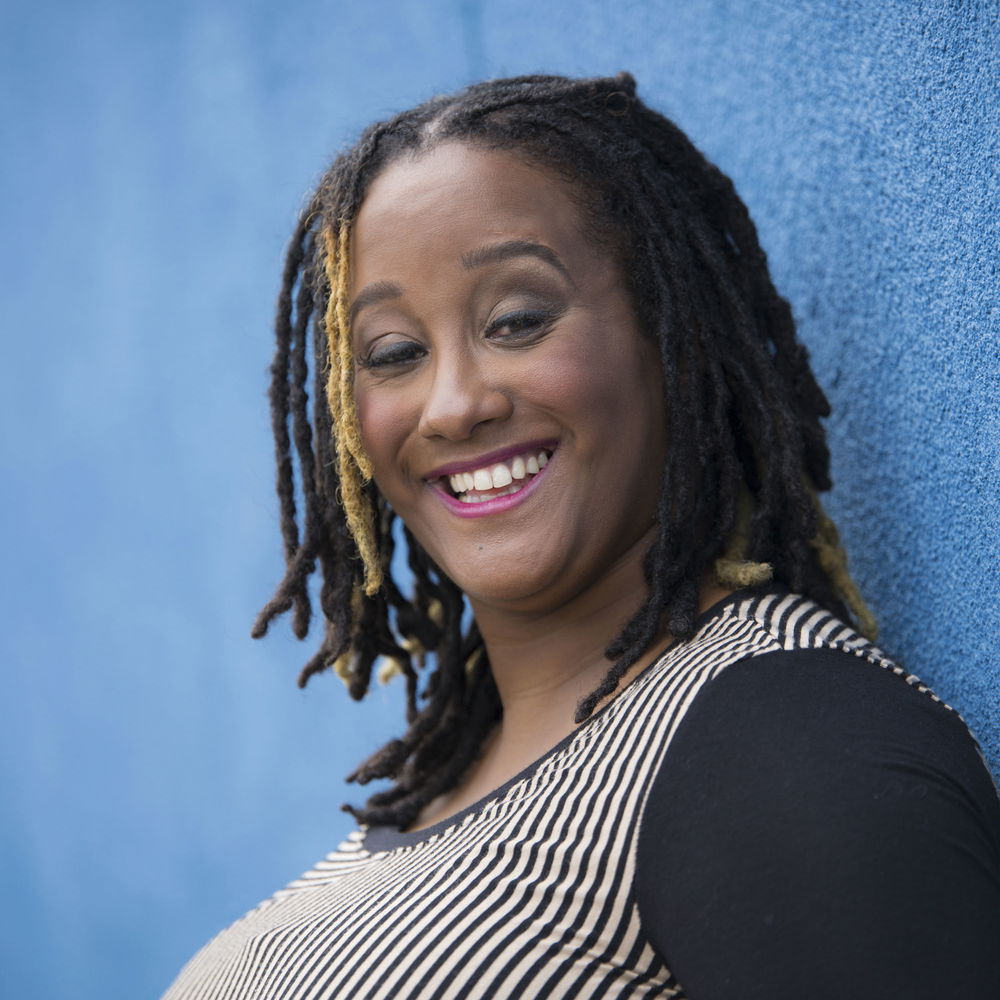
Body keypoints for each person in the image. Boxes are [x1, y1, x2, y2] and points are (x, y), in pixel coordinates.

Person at [163, 72, 1000, 999]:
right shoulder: (447, 790)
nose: (453, 405)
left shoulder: (783, 746)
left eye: (517, 321)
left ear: (670, 338)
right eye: (395, 354)